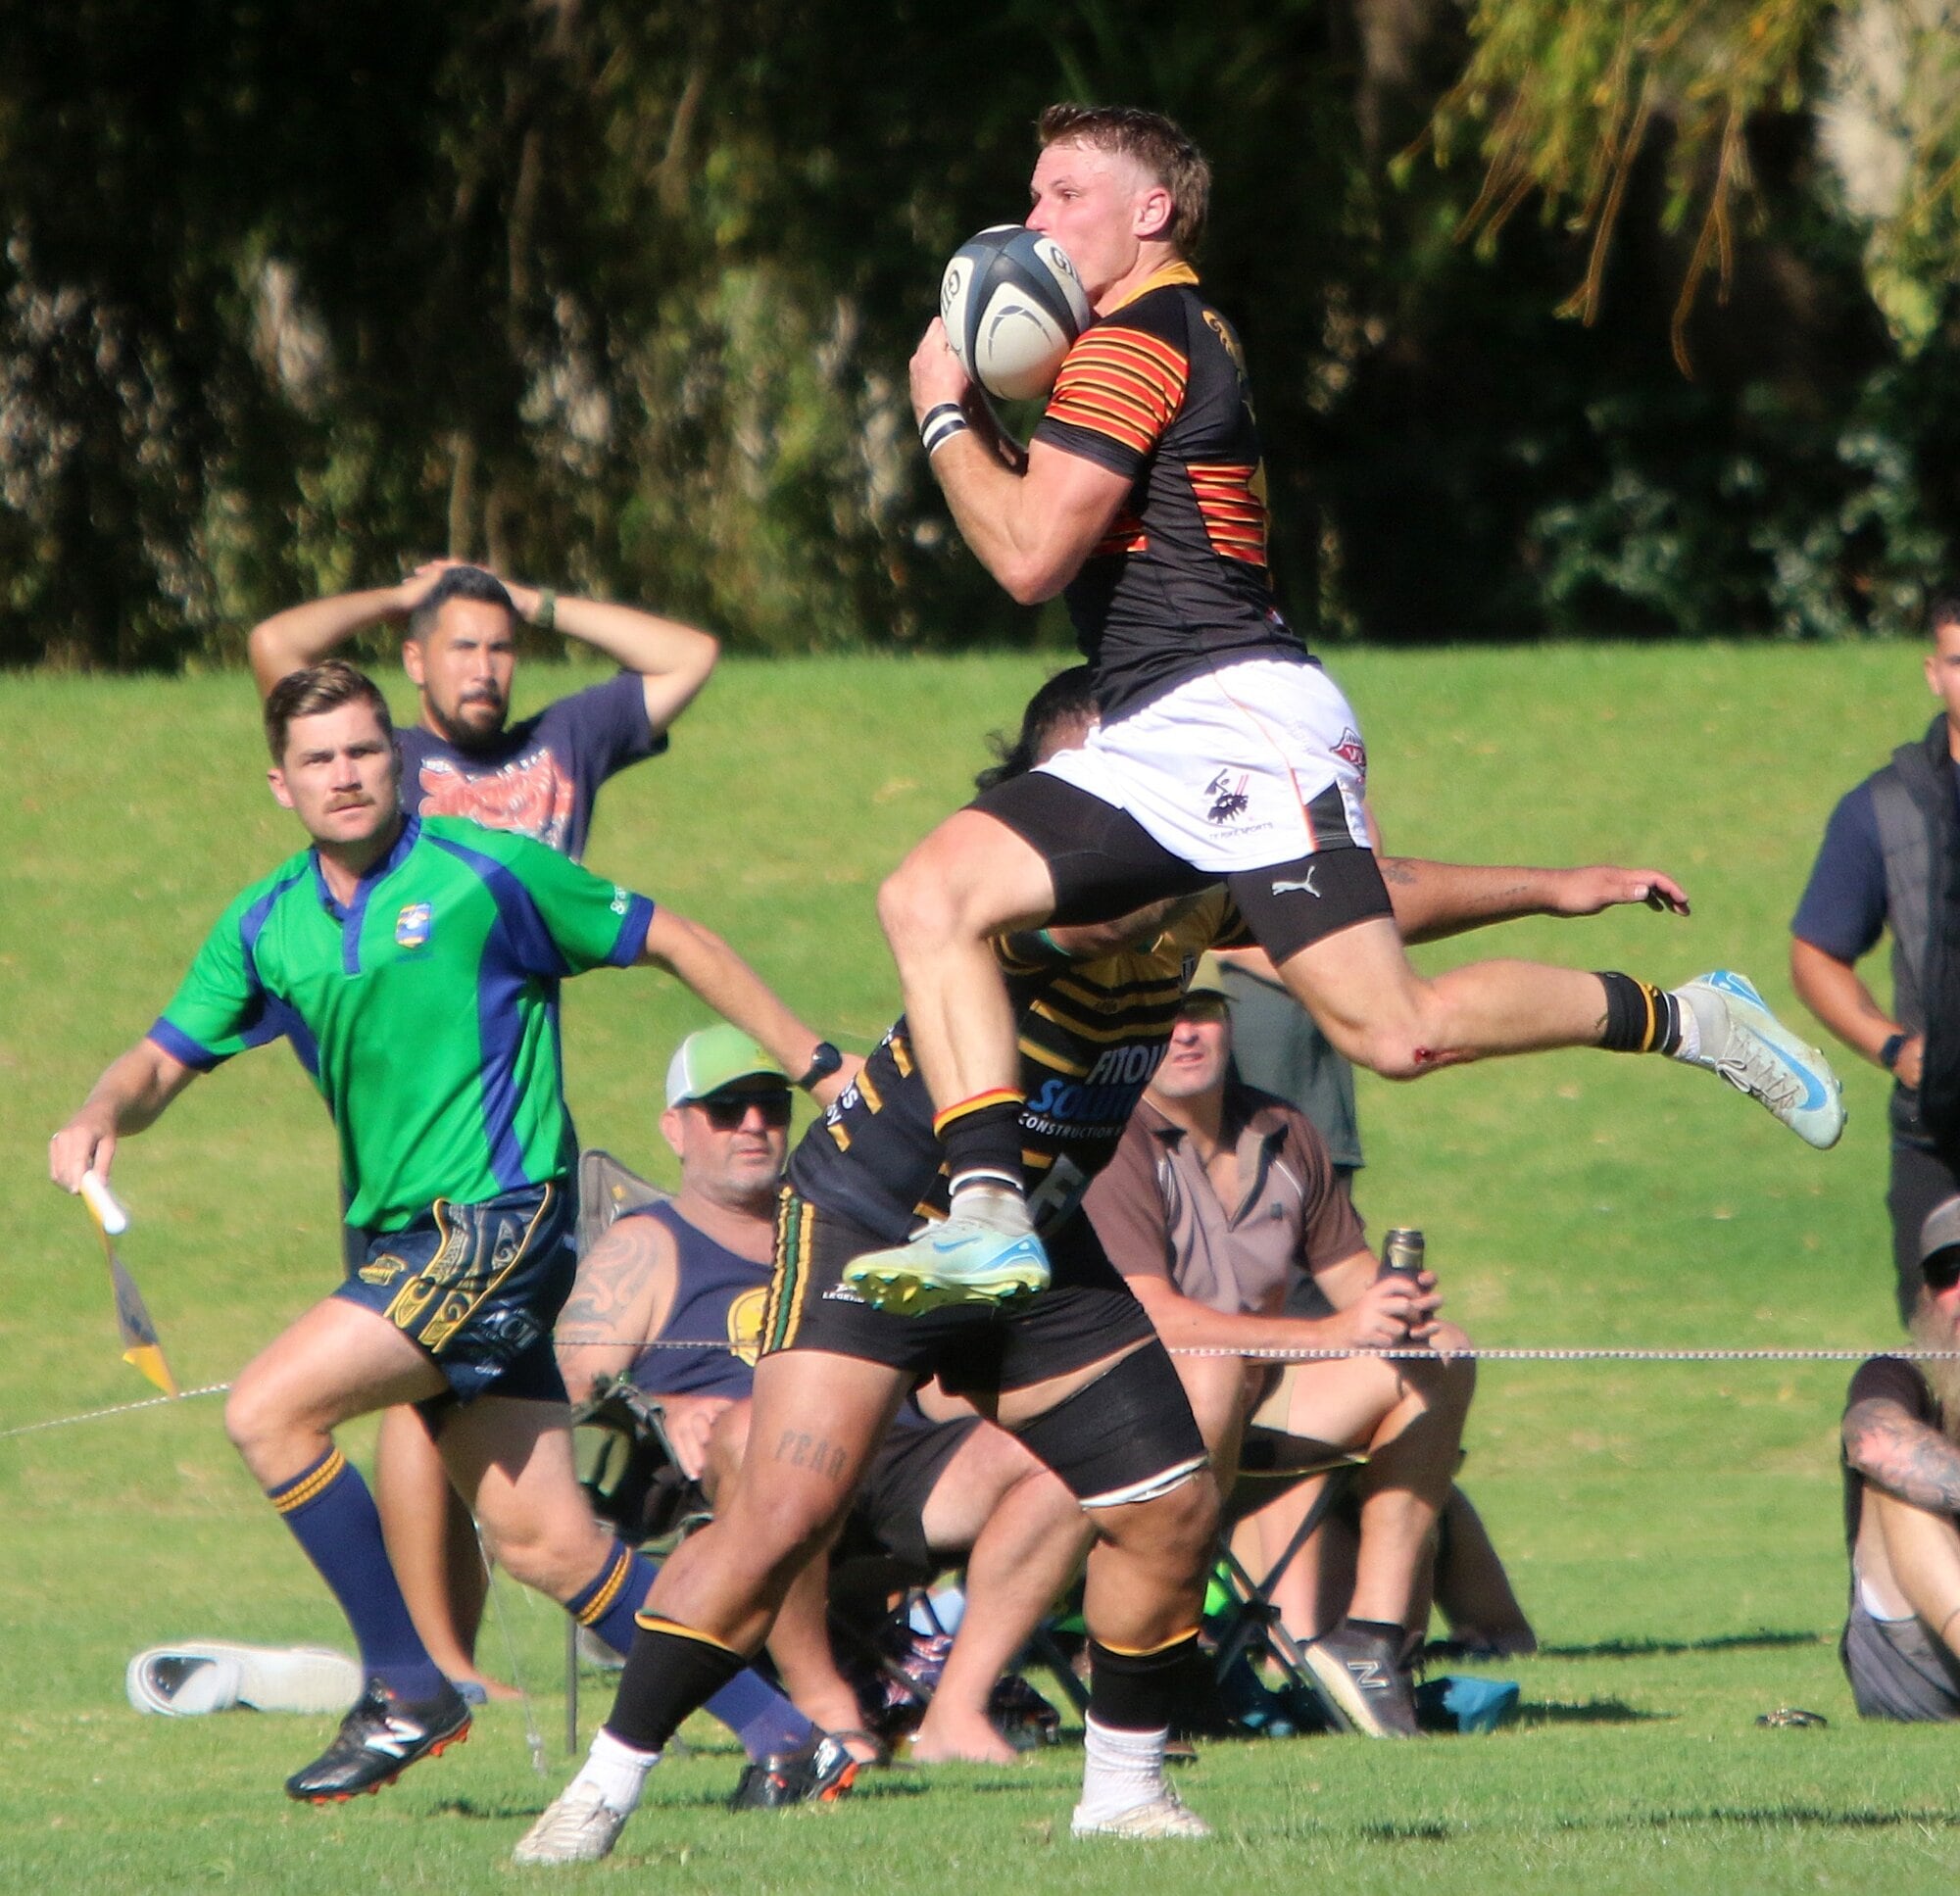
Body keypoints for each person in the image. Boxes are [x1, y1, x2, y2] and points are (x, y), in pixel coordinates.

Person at [510, 671, 1701, 1863]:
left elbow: (1369, 894)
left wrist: (1552, 887)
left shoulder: (1193, 884)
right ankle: (600, 1792)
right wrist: (1231, 848)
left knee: (1168, 1506)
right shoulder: (1025, 893)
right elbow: (1116, 913)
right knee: (780, 1520)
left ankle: (1121, 1792)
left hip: (1033, 1245)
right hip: (879, 1223)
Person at [858, 100, 1843, 1311]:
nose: (1034, 220)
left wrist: (942, 412)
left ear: (1150, 212)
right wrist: (980, 424)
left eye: (1064, 194)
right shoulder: (1145, 337)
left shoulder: (1134, 340)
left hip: (1232, 716)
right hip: (1169, 727)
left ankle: (1686, 1018)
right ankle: (988, 1215)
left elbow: (1024, 559)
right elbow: (1043, 524)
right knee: (937, 898)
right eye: (1032, 194)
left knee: (1390, 1031)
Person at [47, 661, 846, 1804]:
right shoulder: (265, 924)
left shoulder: (489, 873)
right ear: (280, 784)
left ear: (399, 761)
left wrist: (818, 1064)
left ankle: (405, 1687)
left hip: (497, 1228)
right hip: (393, 1250)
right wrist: (97, 1114)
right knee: (546, 1545)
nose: (344, 775)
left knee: (268, 1412)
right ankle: (789, 1740)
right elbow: (159, 1061)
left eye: (364, 750)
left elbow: (678, 939)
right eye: (318, 759)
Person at [250, 560, 725, 1692]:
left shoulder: (563, 743)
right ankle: (440, 1662)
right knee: (432, 1404)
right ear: (412, 664)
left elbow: (689, 656)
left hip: (503, 1108)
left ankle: (436, 1675)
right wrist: (398, 598)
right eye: (458, 645)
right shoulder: (379, 758)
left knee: (481, 1445)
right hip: (400, 1098)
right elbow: (276, 647)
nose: (484, 666)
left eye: (499, 646)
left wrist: (531, 598)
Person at [555, 1024, 1093, 1774]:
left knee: (1068, 1455)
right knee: (765, 1433)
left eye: (771, 1105)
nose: (754, 1124)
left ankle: (958, 1705)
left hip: (883, 1450)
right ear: (675, 1128)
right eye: (726, 1108)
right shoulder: (648, 1244)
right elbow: (573, 1386)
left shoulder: (837, 1222)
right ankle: (824, 1704)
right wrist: (664, 1407)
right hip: (744, 1469)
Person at [1084, 953, 1485, 1737]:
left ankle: (1372, 1637)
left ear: (1228, 1022)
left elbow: (1349, 1275)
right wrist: (1332, 1332)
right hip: (1137, 1419)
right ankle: (1170, 1647)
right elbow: (1157, 1318)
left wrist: (1394, 1304)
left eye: (1203, 1012)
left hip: (1261, 1399)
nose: (1187, 1032)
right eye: (1165, 1017)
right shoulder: (1114, 1140)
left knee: (1440, 1351)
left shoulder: (1285, 1128)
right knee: (1208, 1371)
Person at [1792, 597, 1960, 1323]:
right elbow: (1816, 954)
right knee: (1947, 1352)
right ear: (1933, 672)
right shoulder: (1884, 809)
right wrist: (1894, 1048)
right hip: (1940, 1137)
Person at [1838, 1195, 1960, 1719]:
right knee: (1895, 1481)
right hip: (1913, 1663)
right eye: (1947, 1272)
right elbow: (1874, 1444)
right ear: (1926, 1297)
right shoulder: (1900, 1375)